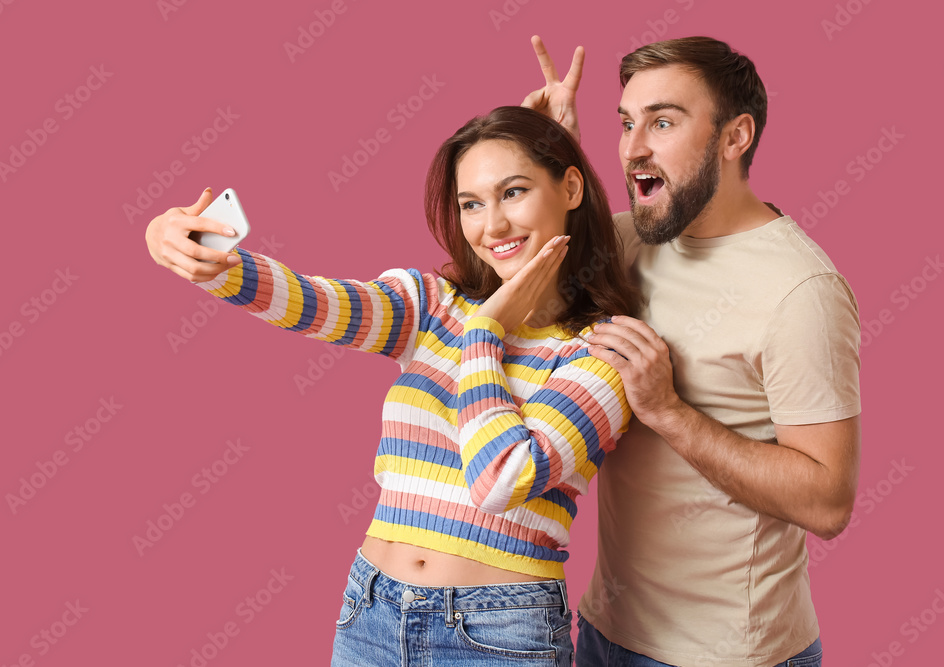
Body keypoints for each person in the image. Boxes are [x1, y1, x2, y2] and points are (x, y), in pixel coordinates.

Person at [144, 105, 640, 665]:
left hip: (500, 632)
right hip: (371, 611)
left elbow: (501, 478)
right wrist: (213, 262)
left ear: (570, 187)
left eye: (514, 193)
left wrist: (485, 332)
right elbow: (315, 304)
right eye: (471, 204)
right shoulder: (430, 305)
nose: (492, 226)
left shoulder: (603, 353)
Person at [521, 36, 861, 667]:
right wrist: (547, 152)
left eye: (663, 122)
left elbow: (828, 500)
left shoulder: (800, 290)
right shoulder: (628, 241)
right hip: (602, 630)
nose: (632, 148)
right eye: (625, 123)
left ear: (736, 137)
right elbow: (516, 267)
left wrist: (669, 410)